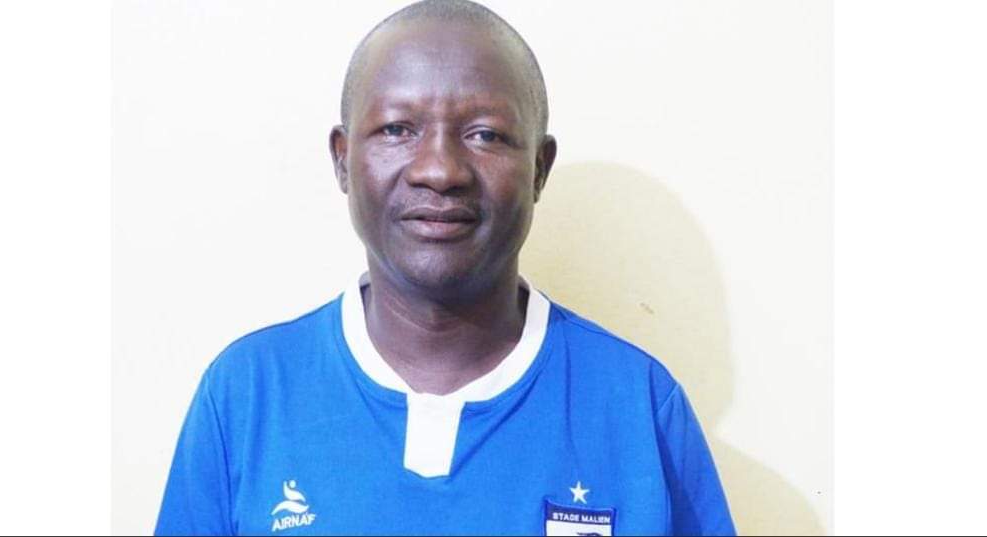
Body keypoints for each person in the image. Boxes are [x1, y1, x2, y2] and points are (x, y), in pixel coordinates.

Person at [154, 0, 735, 535]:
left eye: (485, 134)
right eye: (397, 129)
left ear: (539, 168)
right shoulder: (247, 395)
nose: (439, 170)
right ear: (342, 160)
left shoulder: (638, 405)